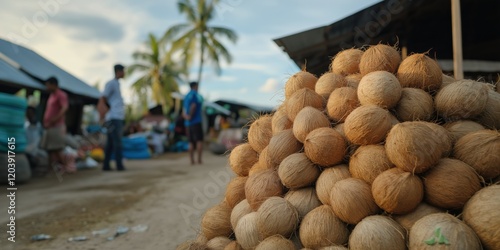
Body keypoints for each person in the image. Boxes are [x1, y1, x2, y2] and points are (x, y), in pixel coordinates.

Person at [40, 76, 70, 173]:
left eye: (48, 85)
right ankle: (51, 168)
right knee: (50, 149)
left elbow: (64, 108)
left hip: (57, 126)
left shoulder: (61, 95)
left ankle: (65, 167)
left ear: (53, 85)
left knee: (57, 148)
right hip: (50, 126)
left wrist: (54, 119)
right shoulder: (52, 95)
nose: (47, 87)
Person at [99, 64, 126, 171]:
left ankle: (106, 165)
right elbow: (103, 97)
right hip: (114, 118)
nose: (124, 73)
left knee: (110, 143)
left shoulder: (117, 84)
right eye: (123, 71)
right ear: (118, 71)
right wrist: (108, 110)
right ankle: (119, 165)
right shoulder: (111, 84)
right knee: (117, 142)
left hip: (116, 116)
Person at [183, 81, 204, 165]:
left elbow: (184, 110)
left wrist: (186, 117)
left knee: (190, 142)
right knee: (199, 140)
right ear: (195, 86)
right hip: (196, 121)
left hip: (188, 123)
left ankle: (192, 160)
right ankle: (199, 160)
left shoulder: (186, 96)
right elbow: (193, 106)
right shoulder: (195, 95)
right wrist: (191, 116)